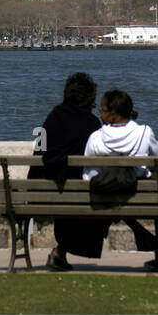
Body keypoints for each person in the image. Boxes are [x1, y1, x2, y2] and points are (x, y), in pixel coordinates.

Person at [83, 90, 158, 272]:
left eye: (103, 110)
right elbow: (155, 161)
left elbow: (88, 175)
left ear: (113, 114)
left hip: (103, 198)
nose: (101, 113)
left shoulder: (95, 137)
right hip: (140, 198)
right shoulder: (144, 132)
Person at [29, 72, 104, 270]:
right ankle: (61, 251)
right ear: (89, 98)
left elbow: (40, 151)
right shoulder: (92, 124)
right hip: (75, 193)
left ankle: (60, 251)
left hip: (43, 191)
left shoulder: (53, 117)